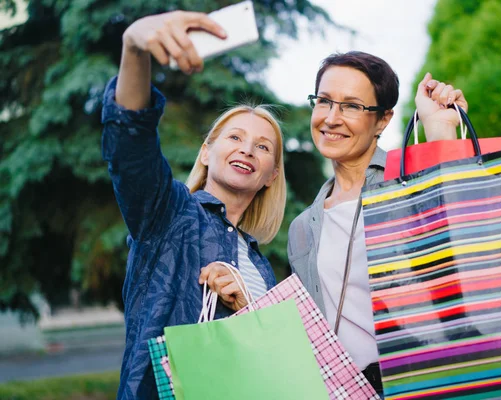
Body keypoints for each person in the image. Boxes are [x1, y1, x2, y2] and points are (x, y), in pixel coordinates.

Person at [101, 11, 286, 399]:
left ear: (271, 175)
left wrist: (243, 306)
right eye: (234, 136)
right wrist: (134, 48)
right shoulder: (167, 214)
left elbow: (268, 361)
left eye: (263, 146)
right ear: (206, 153)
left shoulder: (260, 265)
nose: (247, 149)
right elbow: (131, 148)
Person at [287, 51, 468, 395]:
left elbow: (463, 230)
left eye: (352, 106)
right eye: (324, 101)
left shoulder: (410, 183)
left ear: (383, 120)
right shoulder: (301, 229)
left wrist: (440, 128)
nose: (332, 118)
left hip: (424, 382)